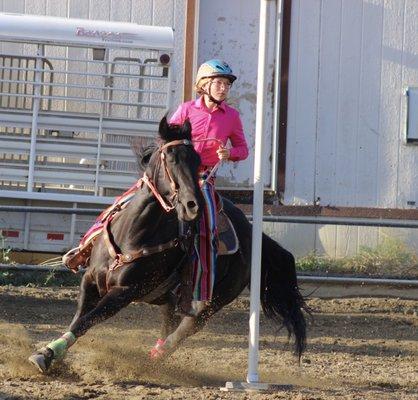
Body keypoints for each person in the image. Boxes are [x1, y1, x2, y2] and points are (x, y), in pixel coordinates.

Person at [169, 59, 249, 313]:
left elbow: (243, 149)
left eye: (226, 84)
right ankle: (84, 249)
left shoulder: (232, 117)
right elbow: (166, 138)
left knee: (207, 230)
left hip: (204, 180)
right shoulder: (185, 110)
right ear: (204, 85)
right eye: (218, 83)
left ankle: (200, 293)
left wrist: (230, 153)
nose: (223, 88)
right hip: (176, 177)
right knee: (131, 199)